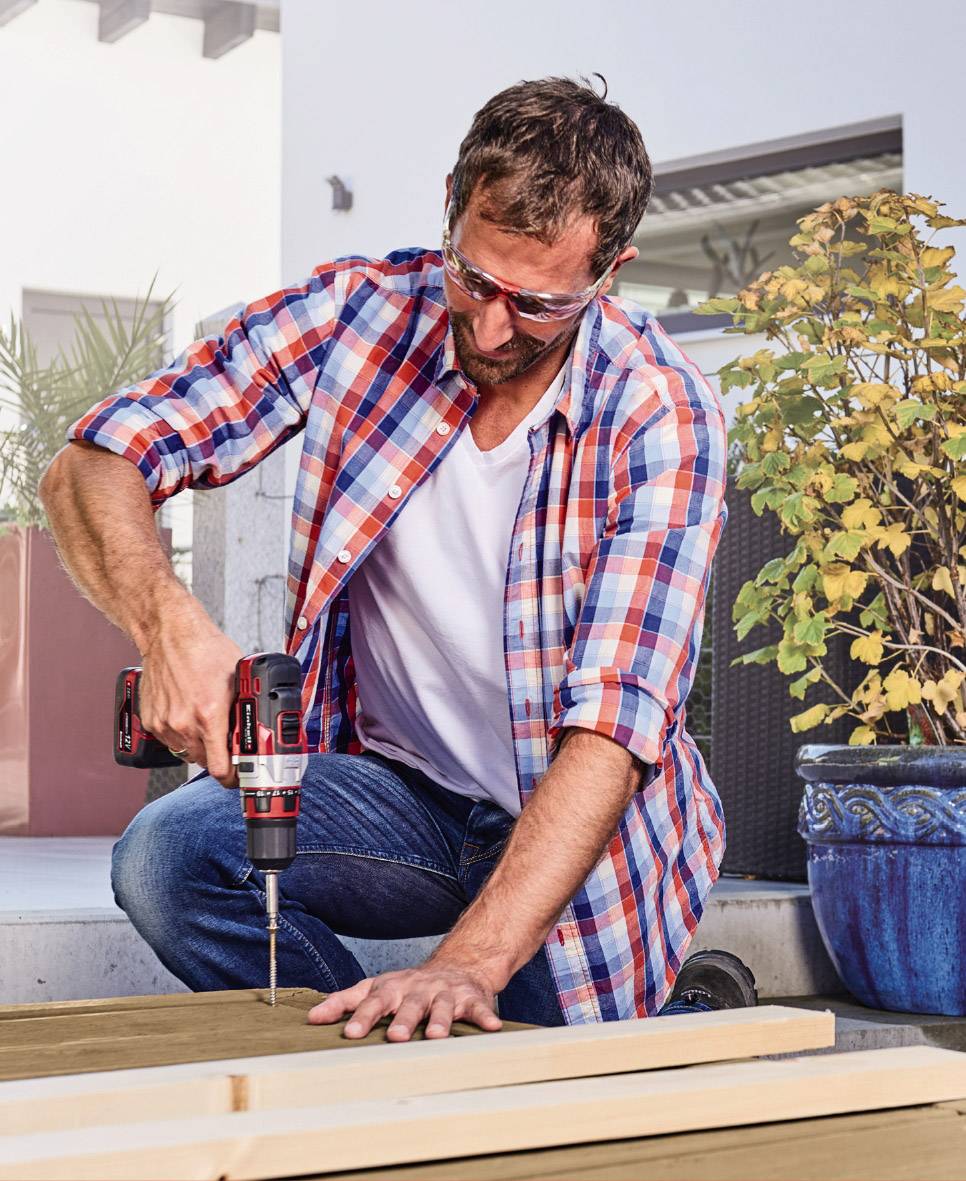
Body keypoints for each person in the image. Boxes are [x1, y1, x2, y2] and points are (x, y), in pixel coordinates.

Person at [39, 75, 756, 1040]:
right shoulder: (357, 314)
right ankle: (356, 1051)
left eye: (538, 305)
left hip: (580, 834)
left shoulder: (660, 416)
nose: (492, 329)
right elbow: (92, 462)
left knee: (533, 1107)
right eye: (475, 277)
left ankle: (672, 1008)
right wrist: (169, 624)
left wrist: (464, 966)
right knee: (169, 858)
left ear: (610, 271)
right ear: (452, 202)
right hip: (405, 799)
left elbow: (615, 731)